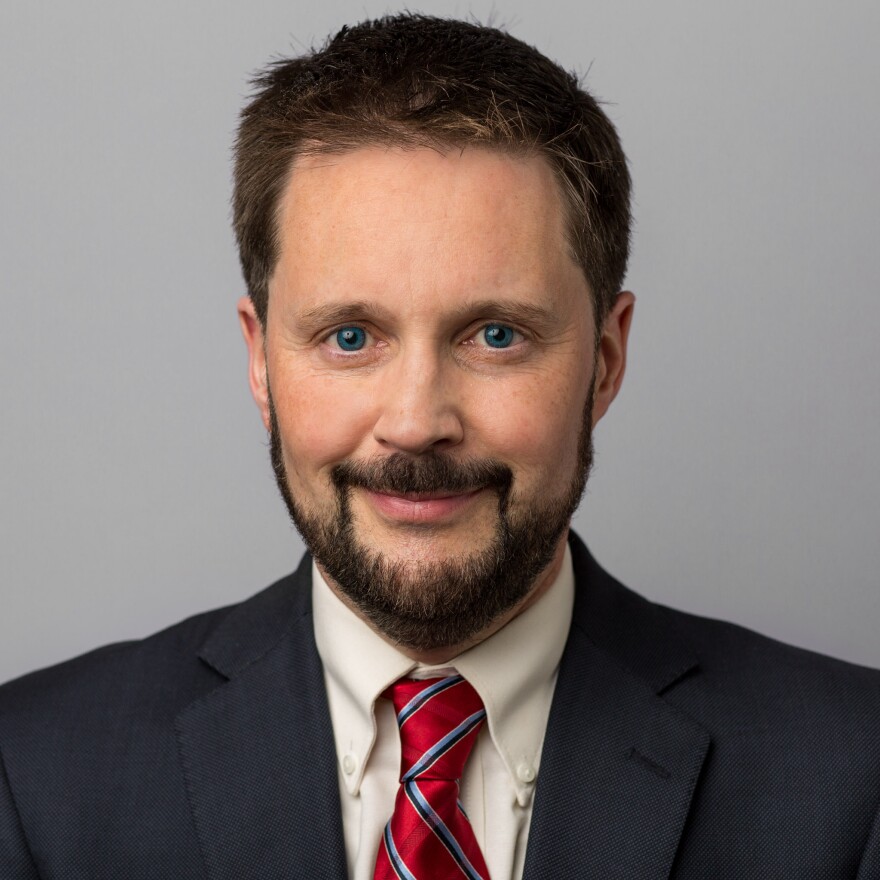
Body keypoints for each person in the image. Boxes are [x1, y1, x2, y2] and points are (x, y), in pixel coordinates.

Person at [1, 13, 878, 878]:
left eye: (495, 335)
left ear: (605, 362)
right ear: (260, 362)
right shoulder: (35, 778)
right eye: (350, 337)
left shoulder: (852, 782)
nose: (418, 422)